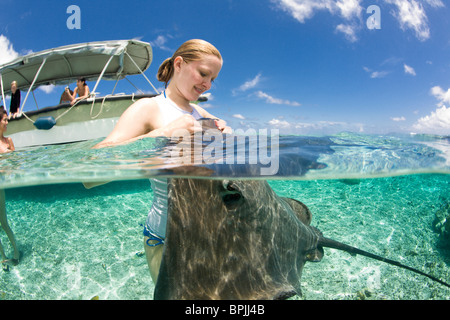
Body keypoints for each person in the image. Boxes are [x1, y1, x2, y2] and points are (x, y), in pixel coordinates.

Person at [92, 39, 231, 283]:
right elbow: (90, 175)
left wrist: (228, 136)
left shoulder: (204, 115)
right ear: (179, 64)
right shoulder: (148, 109)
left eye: (213, 79)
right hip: (163, 237)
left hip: (208, 234)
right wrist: (161, 134)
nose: (207, 85)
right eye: (203, 74)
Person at [0, 108, 19, 271]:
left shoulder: (9, 141)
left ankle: (16, 253)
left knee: (4, 223)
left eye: (7, 120)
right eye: (5, 120)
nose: (7, 122)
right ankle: (3, 257)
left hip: (1, 184)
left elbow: (15, 162)